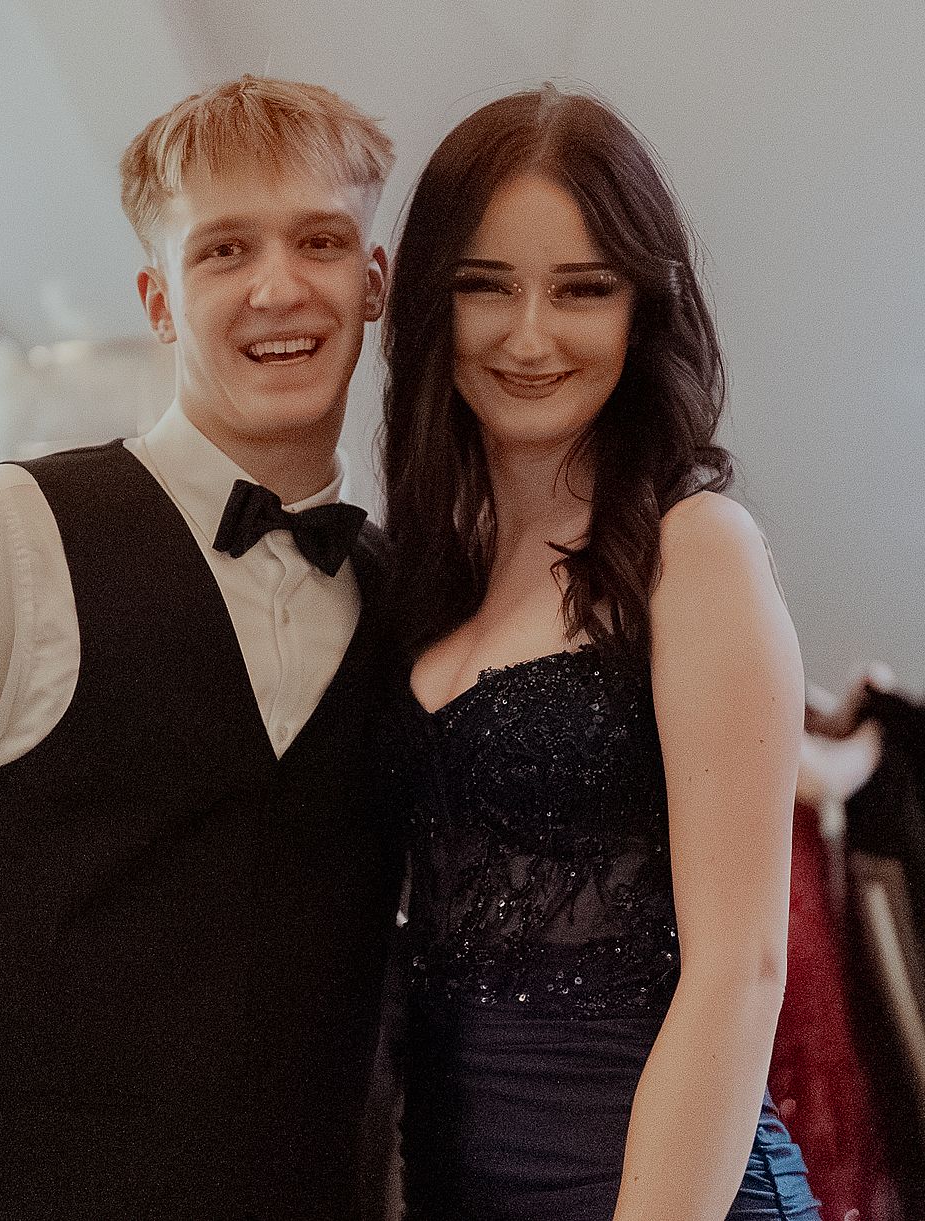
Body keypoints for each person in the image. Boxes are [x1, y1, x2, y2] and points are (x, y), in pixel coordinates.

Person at [0, 76, 404, 1221]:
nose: (278, 287)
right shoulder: (5, 534)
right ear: (159, 300)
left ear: (375, 281)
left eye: (320, 241)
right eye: (223, 250)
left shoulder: (406, 596)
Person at [380, 86, 821, 1219]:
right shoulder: (429, 574)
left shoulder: (698, 549)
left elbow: (740, 974)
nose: (530, 336)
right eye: (487, 286)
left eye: (582, 289)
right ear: (430, 301)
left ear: (642, 309)